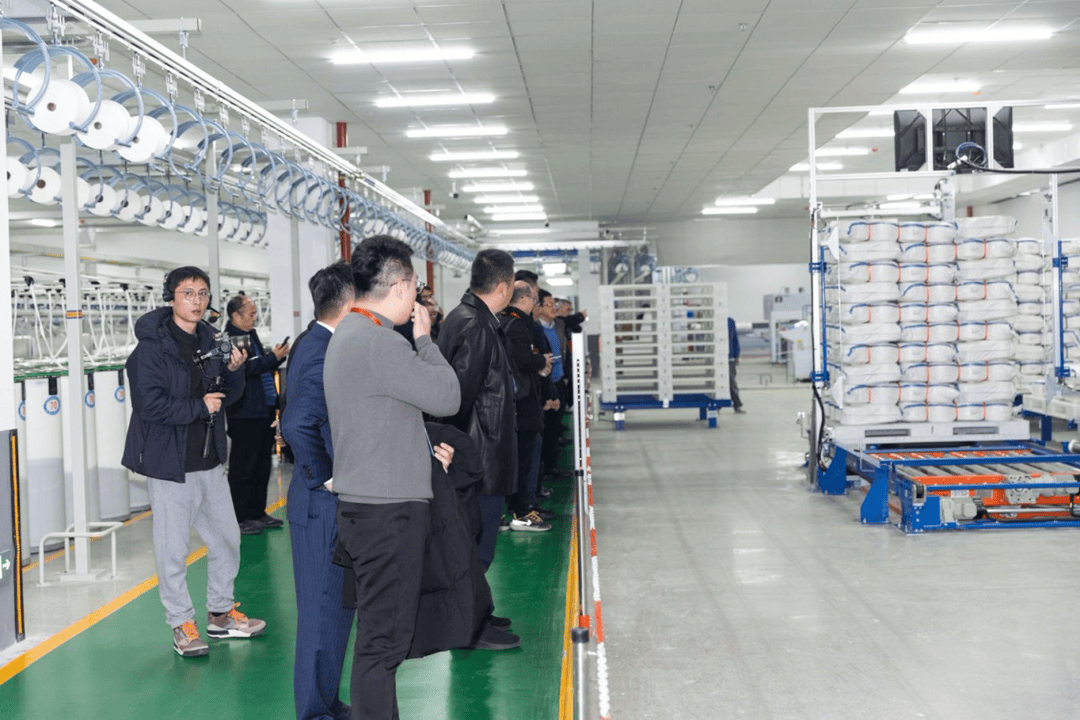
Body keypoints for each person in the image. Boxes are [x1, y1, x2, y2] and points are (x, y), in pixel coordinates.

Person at [324, 235, 461, 720]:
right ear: (400, 287)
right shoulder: (381, 341)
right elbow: (447, 396)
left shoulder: (348, 333)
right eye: (416, 288)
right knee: (383, 645)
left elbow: (382, 416)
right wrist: (425, 340)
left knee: (378, 638)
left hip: (366, 508)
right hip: (388, 515)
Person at [122, 266, 265, 658]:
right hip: (171, 463)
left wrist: (234, 372)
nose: (197, 300)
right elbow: (148, 404)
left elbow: (226, 397)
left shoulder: (211, 339)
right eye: (188, 293)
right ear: (171, 298)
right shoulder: (151, 348)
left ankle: (220, 613)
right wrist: (198, 406)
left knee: (227, 538)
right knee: (173, 550)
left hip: (209, 459)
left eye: (203, 293)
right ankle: (181, 624)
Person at [280, 263, 356, 720]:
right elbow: (295, 423)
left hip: (329, 503)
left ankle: (327, 701)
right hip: (319, 504)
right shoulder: (318, 350)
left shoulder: (322, 342)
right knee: (318, 613)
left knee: (334, 611)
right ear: (348, 302)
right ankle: (313, 711)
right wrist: (326, 477)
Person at [436, 249, 518, 568]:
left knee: (471, 547)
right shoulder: (476, 325)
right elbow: (457, 399)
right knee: (477, 549)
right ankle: (471, 603)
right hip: (479, 459)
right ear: (503, 287)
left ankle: (474, 601)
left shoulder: (466, 317)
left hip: (474, 456)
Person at [224, 294, 290, 534]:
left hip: (262, 409)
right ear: (235, 315)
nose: (255, 318)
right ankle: (240, 518)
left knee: (262, 465)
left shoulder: (250, 334)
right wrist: (271, 358)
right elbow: (242, 369)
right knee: (243, 467)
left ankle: (257, 512)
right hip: (244, 413)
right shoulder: (228, 339)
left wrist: (275, 359)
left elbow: (258, 366)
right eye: (251, 314)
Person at [500, 281, 553, 532]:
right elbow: (522, 360)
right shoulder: (517, 326)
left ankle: (520, 506)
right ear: (523, 300)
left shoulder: (503, 321)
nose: (534, 304)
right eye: (533, 299)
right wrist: (541, 360)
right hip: (522, 402)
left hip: (514, 401)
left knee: (520, 459)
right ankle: (521, 511)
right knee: (524, 460)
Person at [536, 289, 571, 481]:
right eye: (549, 305)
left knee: (555, 427)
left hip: (559, 381)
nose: (554, 308)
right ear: (539, 308)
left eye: (554, 304)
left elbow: (566, 352)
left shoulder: (559, 325)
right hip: (544, 384)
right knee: (544, 428)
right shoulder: (535, 328)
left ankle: (552, 466)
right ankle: (543, 469)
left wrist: (565, 376)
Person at [728, 316, 744, 413]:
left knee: (732, 383)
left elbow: (734, 339)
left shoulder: (730, 322)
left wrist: (736, 355)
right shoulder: (715, 321)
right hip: (718, 359)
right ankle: (717, 406)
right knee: (718, 383)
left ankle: (737, 405)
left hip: (730, 358)